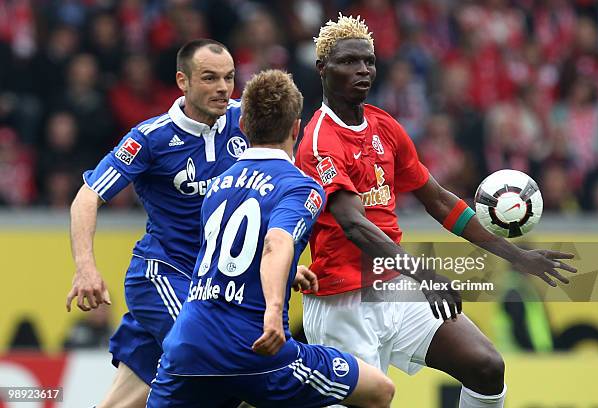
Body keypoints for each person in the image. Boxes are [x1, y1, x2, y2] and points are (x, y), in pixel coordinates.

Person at [295, 15, 577, 408]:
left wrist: (517, 255)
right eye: (349, 62)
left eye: (369, 61)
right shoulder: (319, 140)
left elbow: (439, 200)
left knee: (486, 368)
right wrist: (424, 273)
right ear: (323, 69)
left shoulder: (384, 126)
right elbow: (354, 224)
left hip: (394, 286)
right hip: (344, 302)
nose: (362, 70)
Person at [147, 69, 395, 408]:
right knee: (380, 390)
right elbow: (276, 243)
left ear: (243, 127)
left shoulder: (217, 185)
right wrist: (273, 311)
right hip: (255, 345)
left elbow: (228, 257)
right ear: (296, 128)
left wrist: (290, 272)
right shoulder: (300, 186)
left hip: (189, 345)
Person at [65, 39, 248, 408]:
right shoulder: (151, 138)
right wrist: (85, 267)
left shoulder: (245, 121)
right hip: (164, 274)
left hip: (216, 282)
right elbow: (86, 197)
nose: (223, 88)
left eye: (228, 78)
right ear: (183, 81)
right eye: (210, 78)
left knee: (121, 401)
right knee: (217, 358)